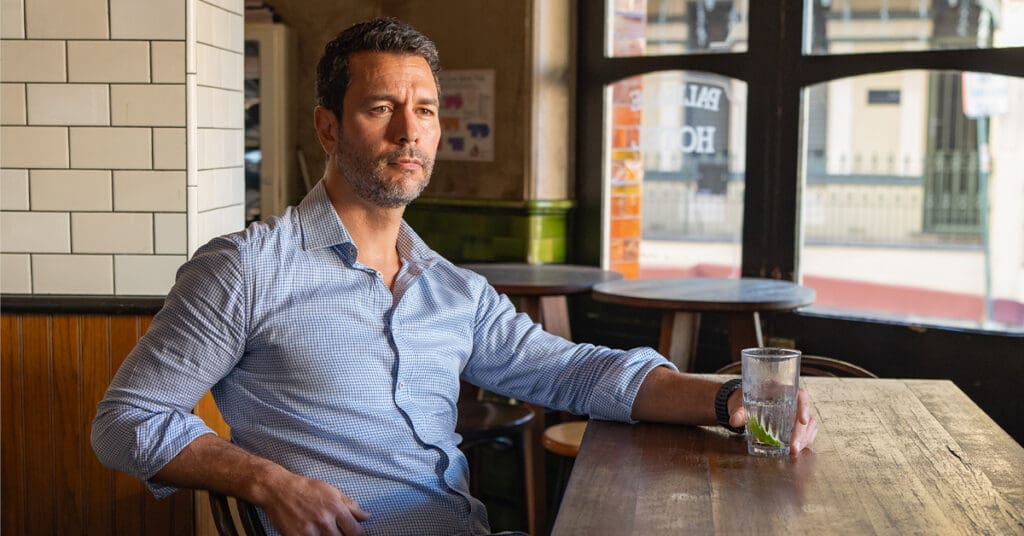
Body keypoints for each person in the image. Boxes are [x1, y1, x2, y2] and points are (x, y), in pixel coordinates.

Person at [92, 17, 818, 536]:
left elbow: (574, 373)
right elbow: (126, 420)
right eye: (381, 108)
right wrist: (267, 480)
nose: (408, 131)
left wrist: (726, 397)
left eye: (425, 110)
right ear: (328, 127)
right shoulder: (247, 268)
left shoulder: (449, 288)